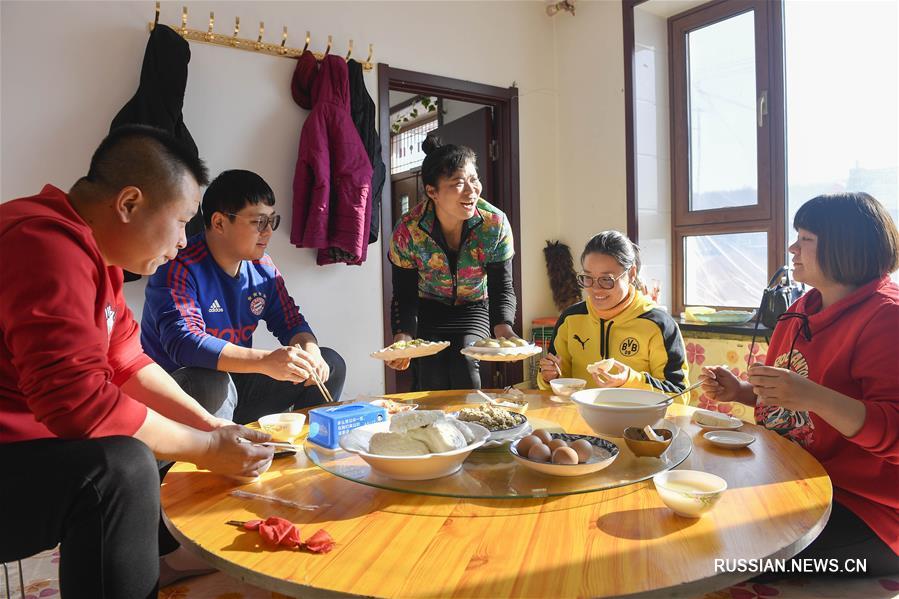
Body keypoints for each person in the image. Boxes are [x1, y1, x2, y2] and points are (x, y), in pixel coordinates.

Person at [0, 126, 274, 598]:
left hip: (26, 454)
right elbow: (79, 405)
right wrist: (207, 450)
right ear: (129, 203)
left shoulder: (97, 259)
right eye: (183, 220)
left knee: (137, 458)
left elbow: (128, 361)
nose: (186, 240)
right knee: (121, 469)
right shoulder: (42, 243)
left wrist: (211, 428)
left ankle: (164, 559)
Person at [700, 192, 899, 576]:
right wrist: (740, 392)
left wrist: (813, 397)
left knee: (730, 552)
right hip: (795, 481)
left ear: (846, 245)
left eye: (805, 239)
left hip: (868, 512)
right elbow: (790, 403)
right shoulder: (799, 311)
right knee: (695, 509)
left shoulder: (886, 318)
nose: (792, 248)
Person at [141, 169, 346, 425]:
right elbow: (184, 343)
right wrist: (265, 361)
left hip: (236, 388)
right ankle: (219, 457)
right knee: (211, 380)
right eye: (259, 222)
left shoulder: (263, 269)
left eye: (272, 221)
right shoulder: (178, 266)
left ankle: (305, 452)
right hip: (182, 394)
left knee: (329, 364)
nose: (268, 231)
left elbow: (292, 322)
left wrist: (311, 352)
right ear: (219, 223)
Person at [386, 136, 520, 390]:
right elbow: (404, 293)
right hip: (428, 308)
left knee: (465, 361)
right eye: (458, 184)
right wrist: (403, 338)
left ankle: (473, 429)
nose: (471, 191)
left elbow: (502, 286)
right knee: (430, 372)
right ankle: (431, 430)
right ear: (432, 191)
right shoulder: (408, 229)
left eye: (473, 180)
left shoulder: (494, 223)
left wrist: (506, 333)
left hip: (474, 307)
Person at [539, 230, 689, 393]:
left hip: (638, 418)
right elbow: (557, 383)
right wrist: (549, 378)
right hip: (578, 416)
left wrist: (629, 380)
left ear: (631, 274)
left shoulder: (659, 324)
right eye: (588, 278)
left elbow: (678, 395)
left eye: (606, 279)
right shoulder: (570, 319)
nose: (595, 289)